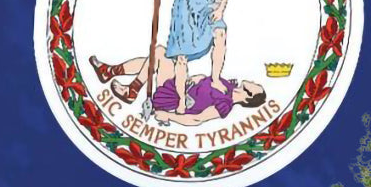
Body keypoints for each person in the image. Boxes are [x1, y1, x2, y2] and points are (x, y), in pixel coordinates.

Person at [90, 46, 264, 126]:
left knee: (159, 54)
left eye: (257, 87)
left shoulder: (224, 105)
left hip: (172, 98)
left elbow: (197, 119)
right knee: (155, 59)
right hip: (180, 84)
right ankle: (110, 72)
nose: (256, 83)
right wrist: (198, 78)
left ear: (249, 96)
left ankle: (131, 90)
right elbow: (206, 83)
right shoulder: (227, 85)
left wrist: (168, 116)